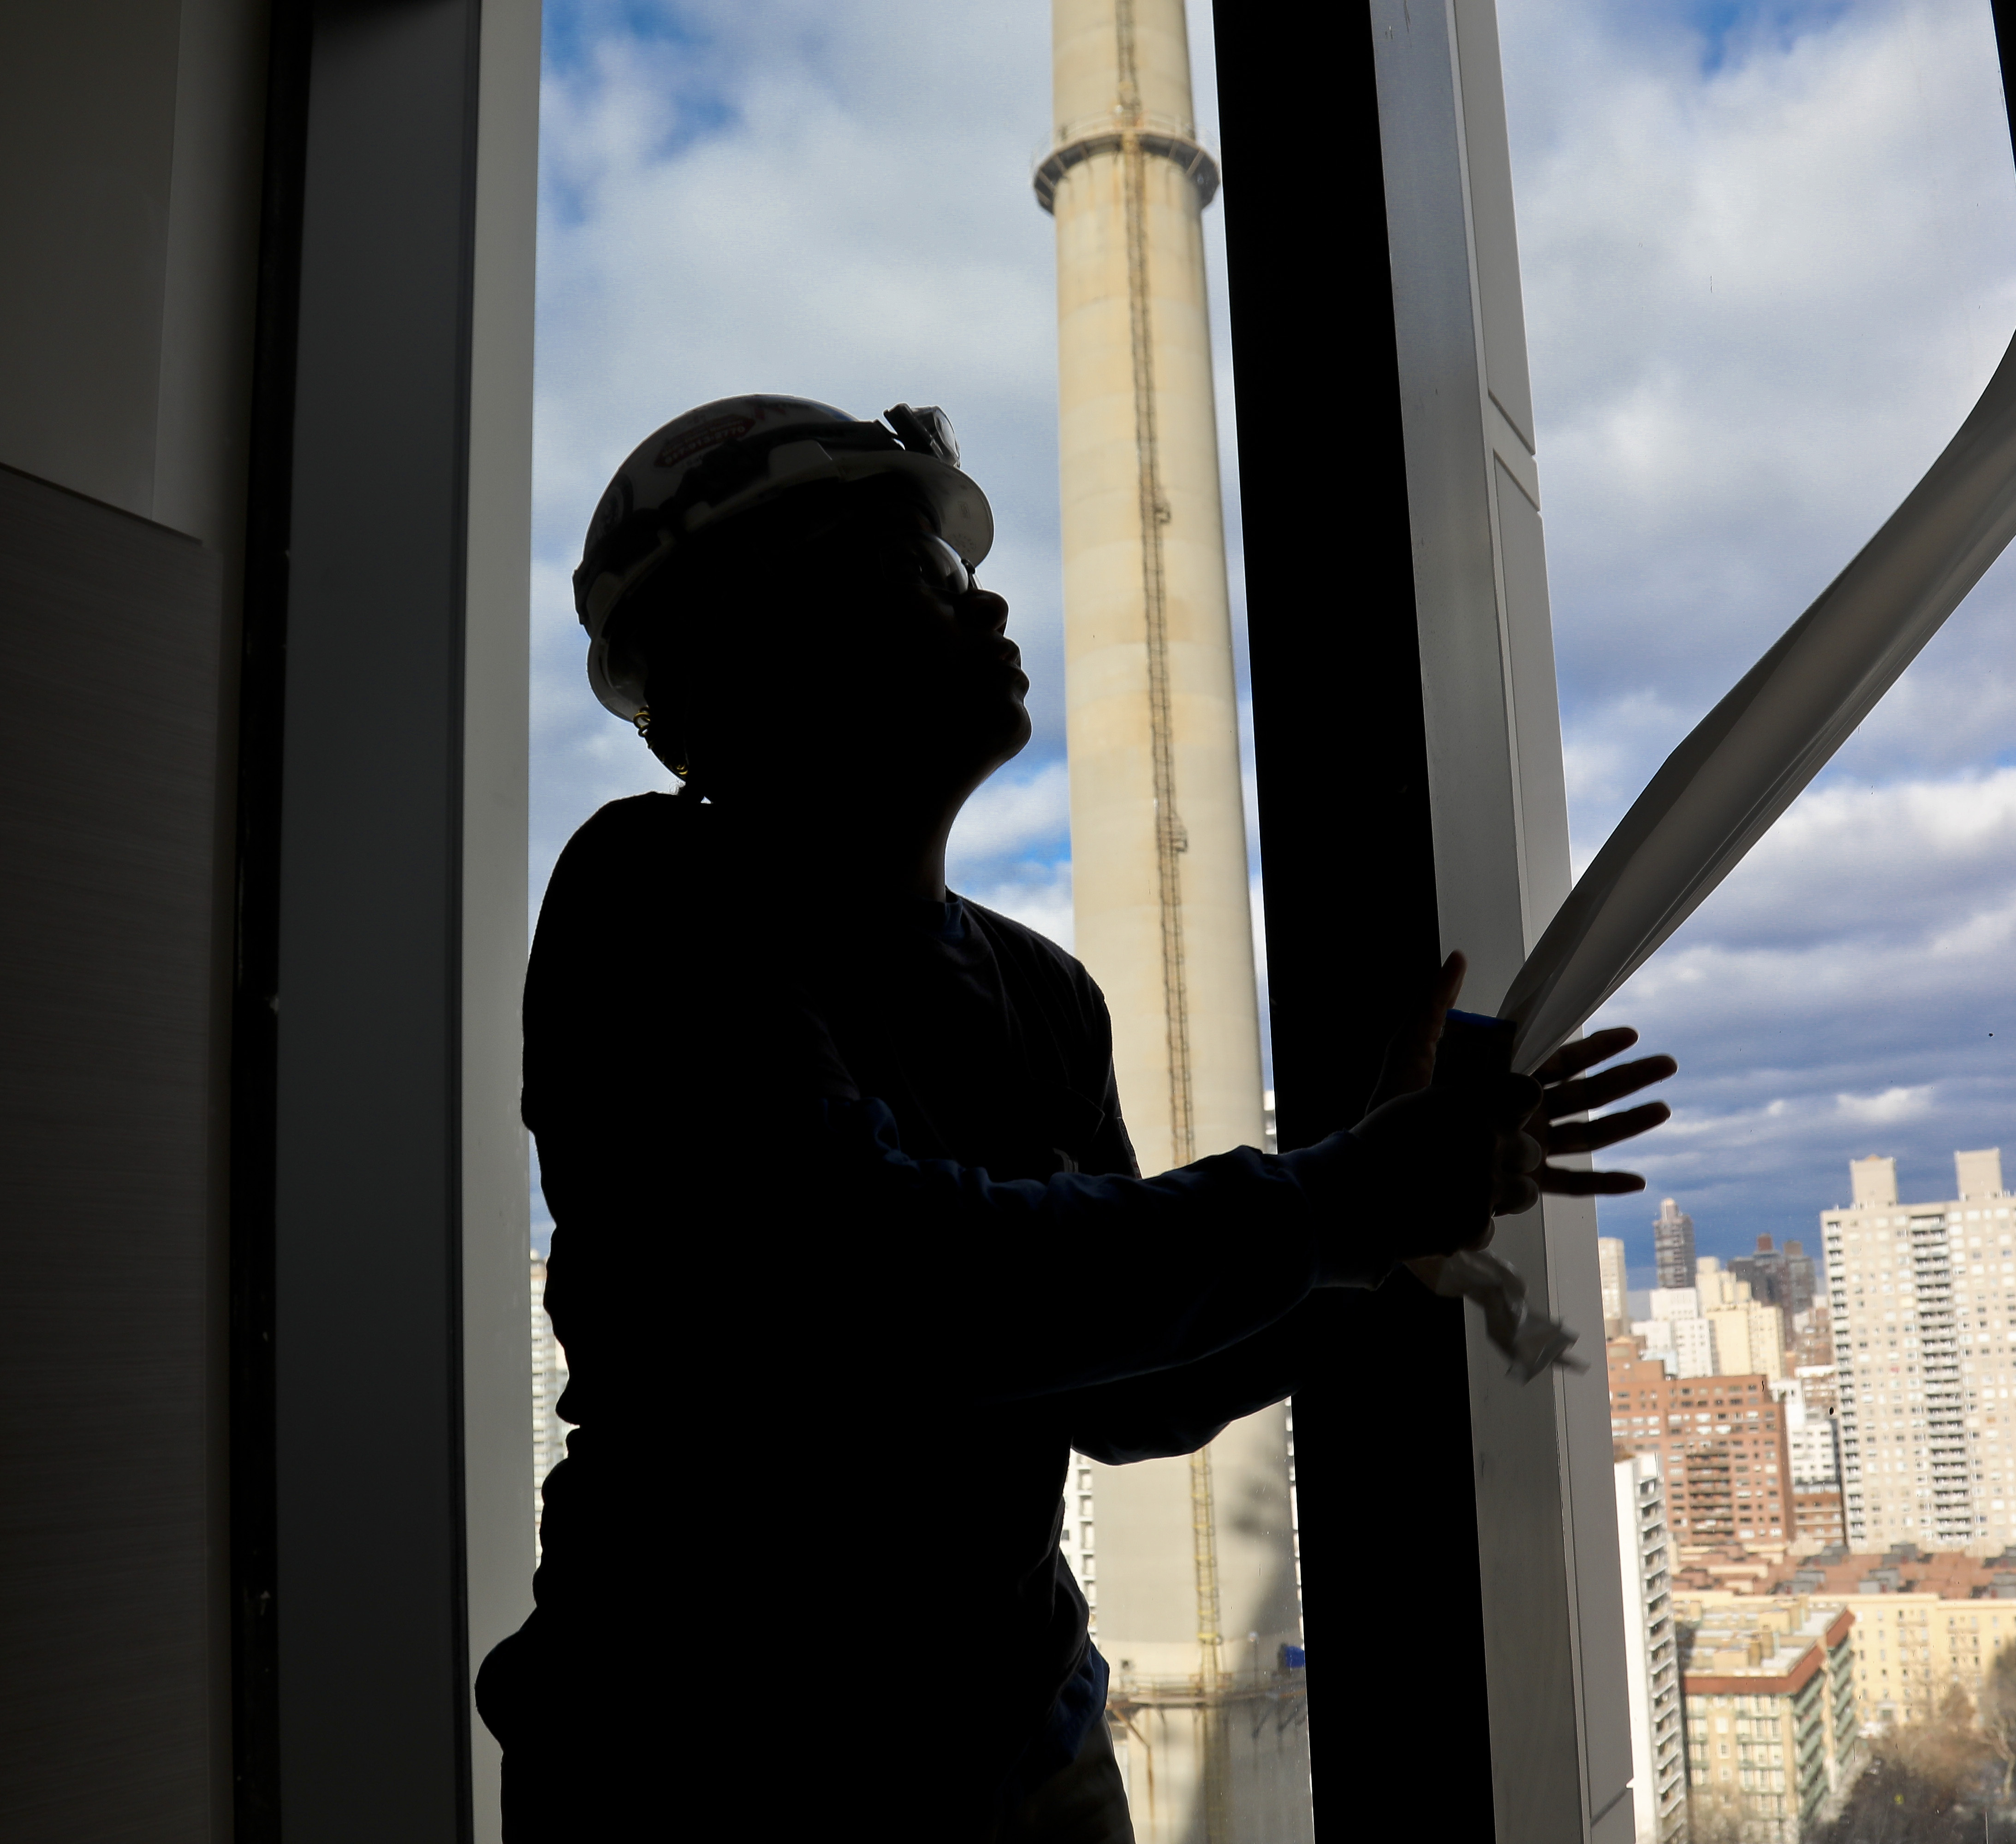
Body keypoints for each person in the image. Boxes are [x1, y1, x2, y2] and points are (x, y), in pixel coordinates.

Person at [472, 395, 1677, 1839]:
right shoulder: (653, 902)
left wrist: (1384, 1242)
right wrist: (1340, 1199)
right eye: (922, 577)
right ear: (762, 642)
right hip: (709, 1759)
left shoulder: (1038, 996)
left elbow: (1120, 1392)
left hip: (1019, 1750)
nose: (983, 607)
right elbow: (875, 1278)